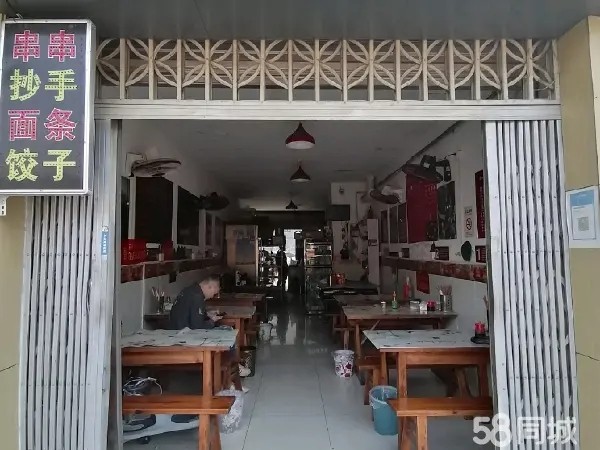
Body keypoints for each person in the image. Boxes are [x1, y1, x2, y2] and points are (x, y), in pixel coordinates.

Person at [168, 273, 251, 378]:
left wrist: (207, 314)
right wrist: (212, 320)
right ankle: (232, 369)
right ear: (209, 286)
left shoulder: (189, 290)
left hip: (176, 331)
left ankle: (232, 367)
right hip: (185, 336)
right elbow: (198, 327)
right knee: (228, 332)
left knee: (225, 331)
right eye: (214, 293)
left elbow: (191, 314)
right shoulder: (197, 297)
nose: (212, 296)